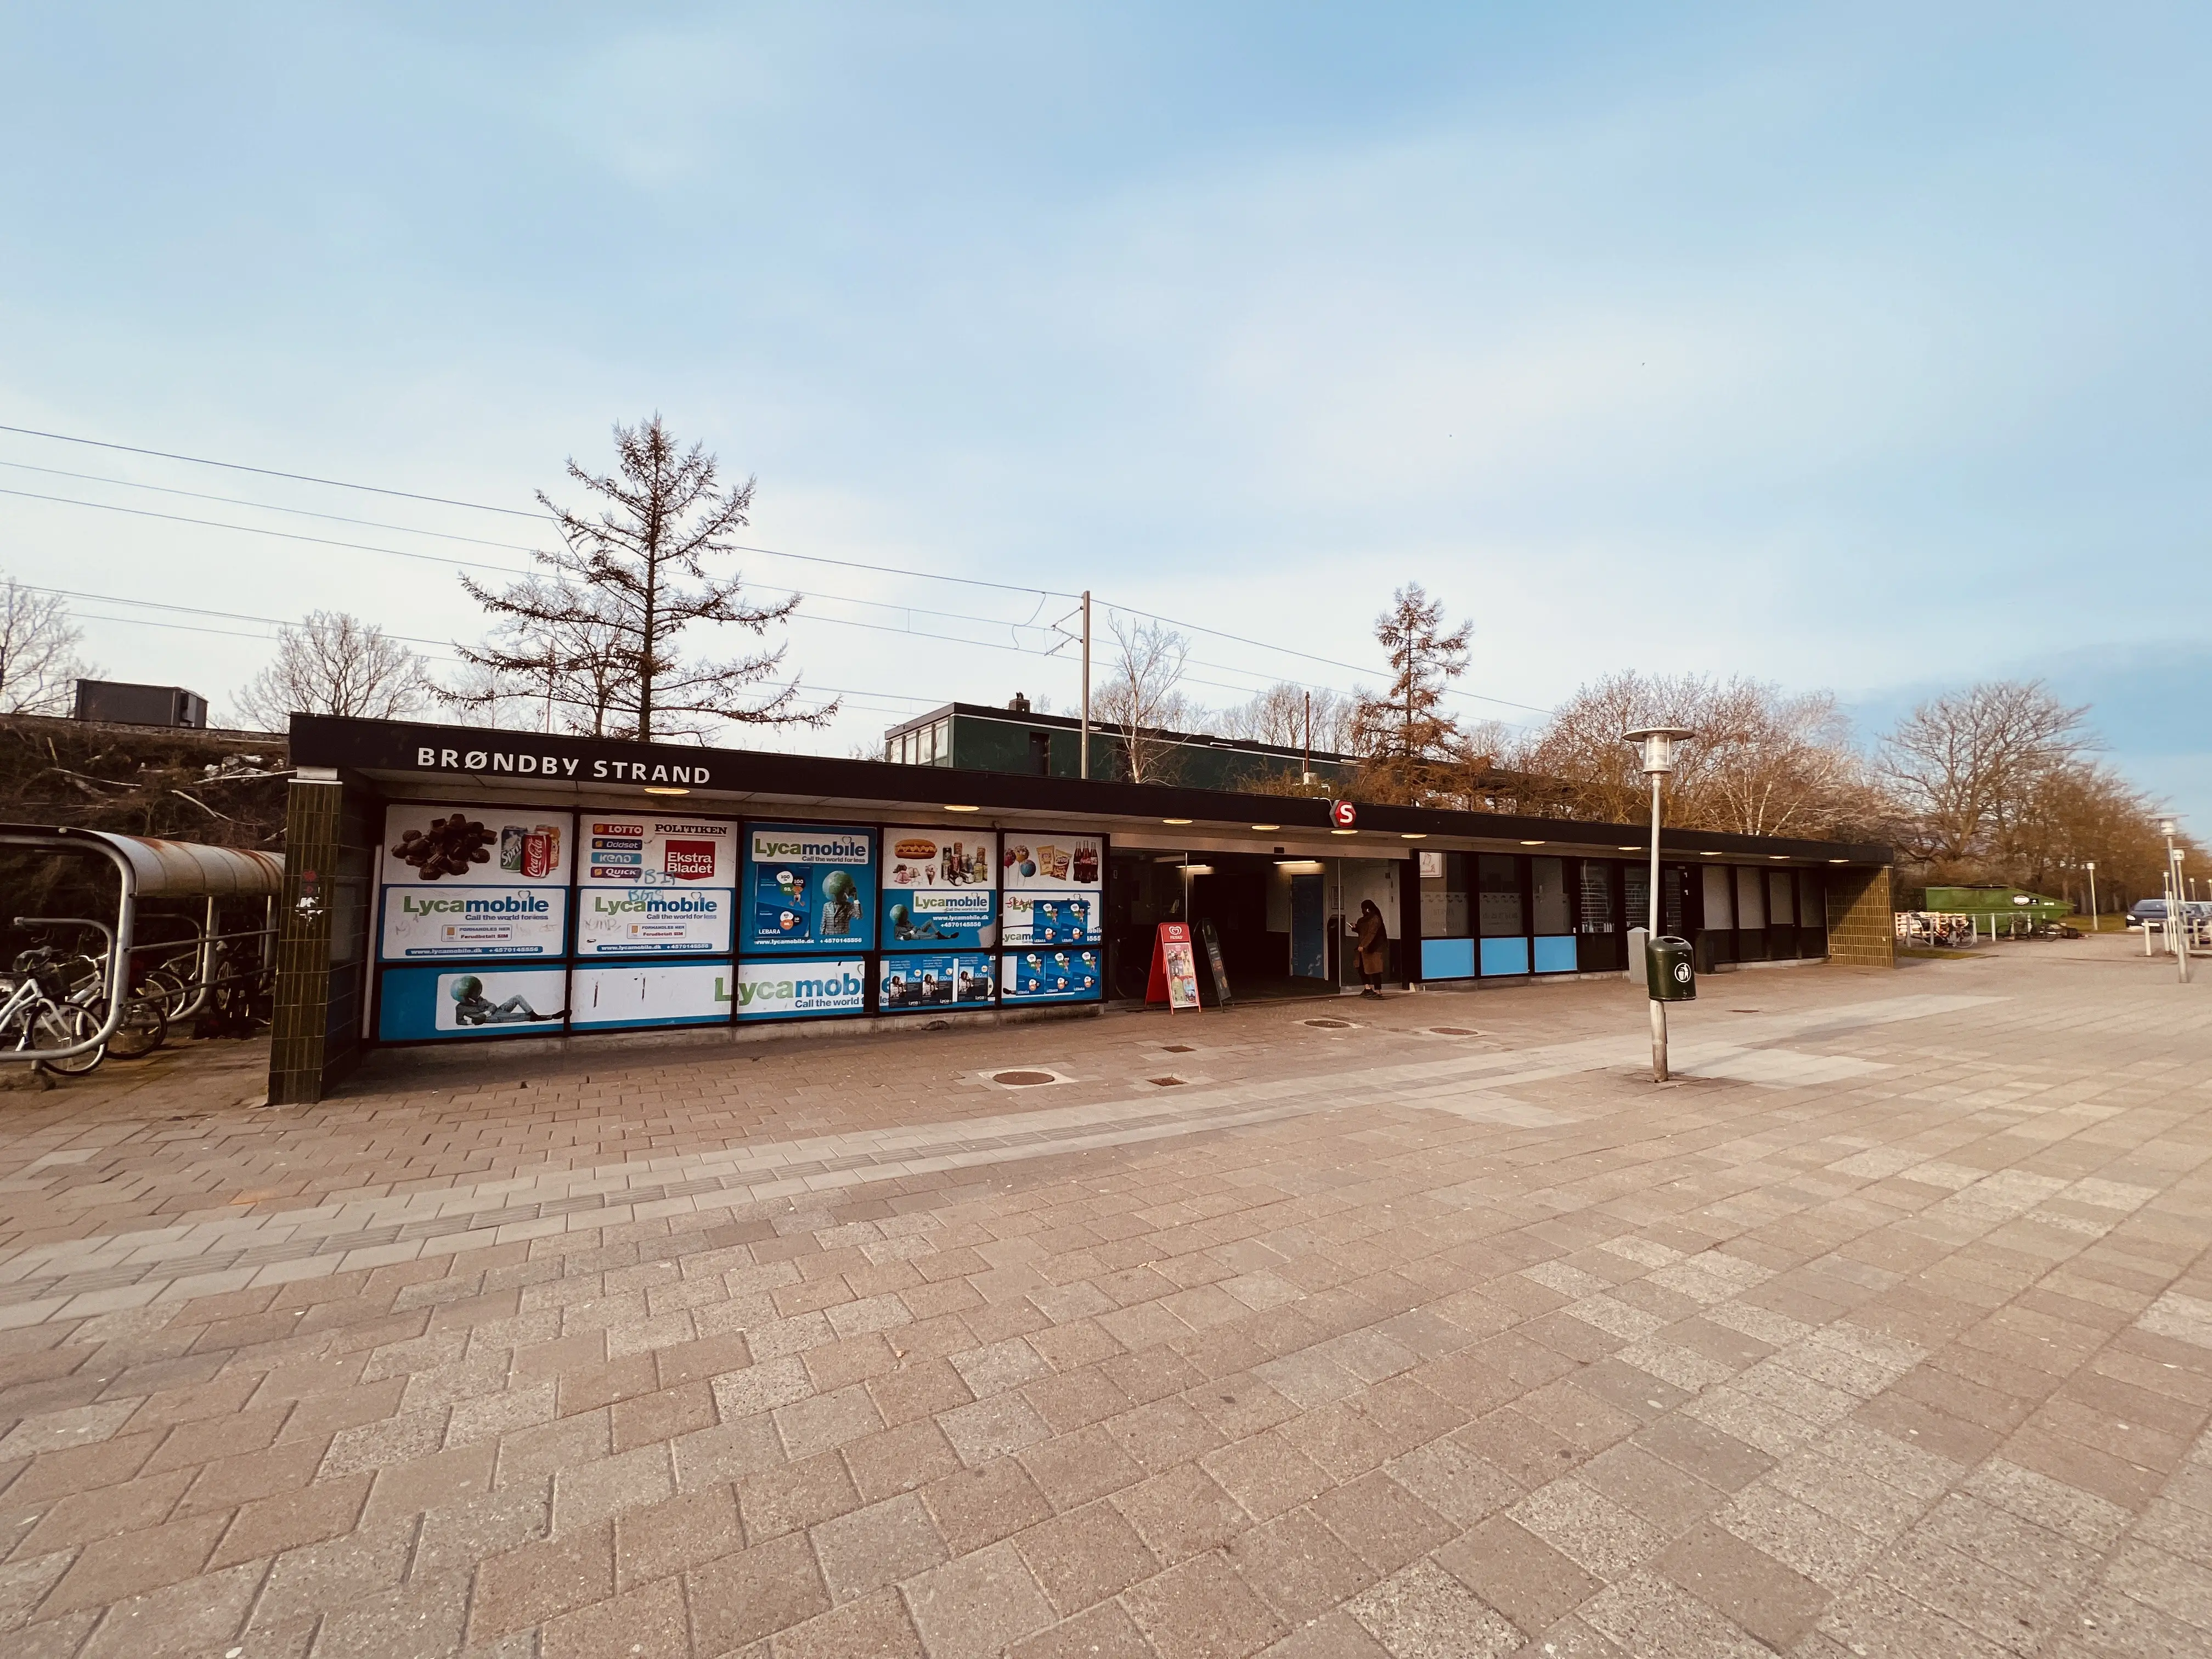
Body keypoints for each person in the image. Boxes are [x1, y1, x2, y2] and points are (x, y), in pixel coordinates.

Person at [1354, 900, 1389, 998]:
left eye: (1364, 909)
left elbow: (1371, 933)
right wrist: (1355, 928)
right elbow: (1363, 931)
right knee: (1361, 968)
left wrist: (1363, 945)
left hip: (1374, 949)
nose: (1363, 911)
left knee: (1375, 970)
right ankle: (1368, 988)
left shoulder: (1375, 919)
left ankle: (1378, 992)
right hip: (1364, 949)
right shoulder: (1364, 919)